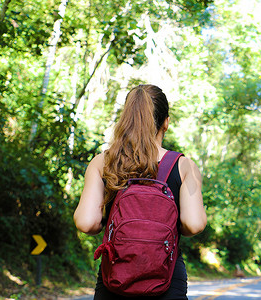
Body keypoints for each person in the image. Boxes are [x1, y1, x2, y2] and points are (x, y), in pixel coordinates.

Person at [73, 84, 207, 300]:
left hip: (116, 280)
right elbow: (194, 224)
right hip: (166, 280)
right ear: (165, 122)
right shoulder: (183, 166)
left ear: (128, 119)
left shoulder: (103, 162)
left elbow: (86, 223)